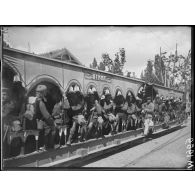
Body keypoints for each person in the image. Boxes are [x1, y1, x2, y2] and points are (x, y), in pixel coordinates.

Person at [34, 85, 56, 150]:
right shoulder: (40, 102)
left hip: (38, 121)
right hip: (42, 122)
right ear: (43, 93)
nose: (46, 93)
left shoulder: (36, 100)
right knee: (52, 128)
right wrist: (53, 122)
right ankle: (48, 146)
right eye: (45, 92)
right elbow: (46, 116)